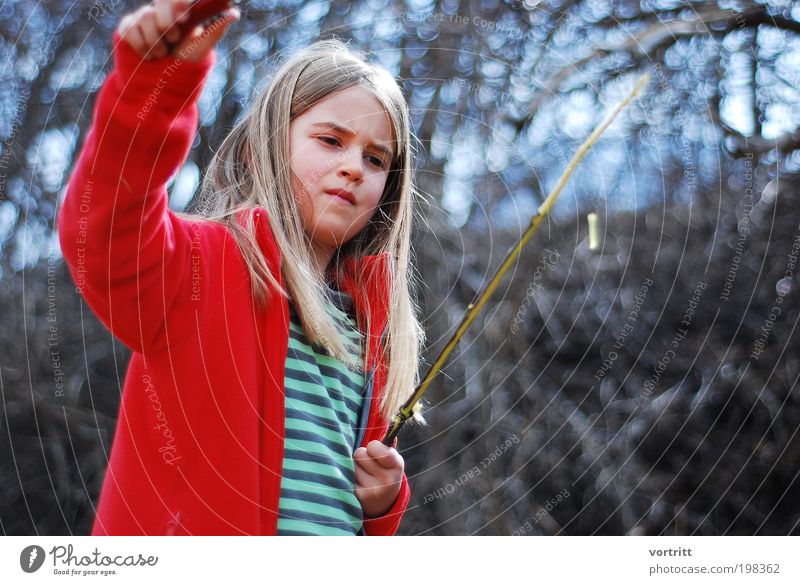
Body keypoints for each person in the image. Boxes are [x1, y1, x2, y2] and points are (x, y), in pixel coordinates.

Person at [57, 0, 426, 535]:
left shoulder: (370, 328)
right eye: (330, 141)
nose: (353, 167)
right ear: (266, 148)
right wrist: (153, 85)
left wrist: (382, 501)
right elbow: (104, 230)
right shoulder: (205, 266)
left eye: (375, 159)